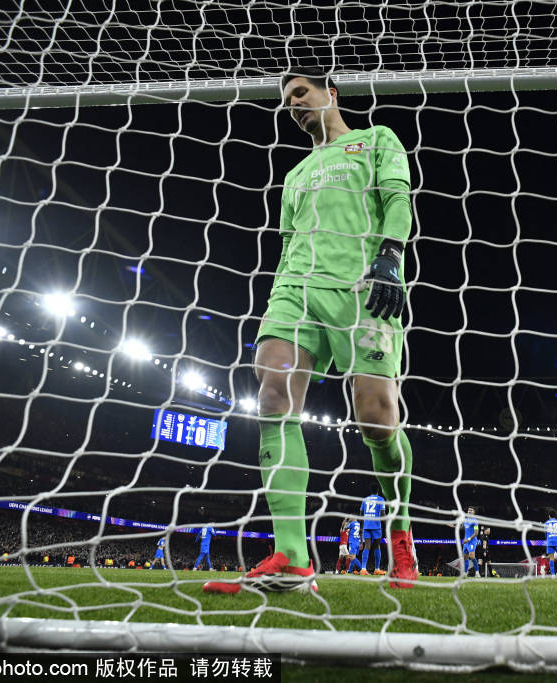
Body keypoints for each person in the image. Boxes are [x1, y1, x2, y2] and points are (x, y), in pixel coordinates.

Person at [203, 68, 417, 594]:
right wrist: (275, 299)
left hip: (363, 289)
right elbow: (287, 244)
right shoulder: (296, 174)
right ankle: (292, 559)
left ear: (330, 93)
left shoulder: (376, 139)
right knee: (272, 396)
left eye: (301, 92)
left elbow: (397, 199)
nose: (293, 104)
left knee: (377, 422)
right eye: (287, 100)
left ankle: (401, 532)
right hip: (295, 290)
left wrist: (391, 256)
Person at [360, 488, 387, 575]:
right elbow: (382, 514)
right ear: (377, 491)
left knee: (367, 546)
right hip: (376, 526)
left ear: (370, 491)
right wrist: (387, 524)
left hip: (366, 526)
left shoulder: (365, 499)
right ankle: (377, 569)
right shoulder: (380, 499)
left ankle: (363, 569)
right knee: (377, 546)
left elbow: (361, 514)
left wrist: (361, 526)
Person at [543, 509, 557, 577]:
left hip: (550, 541)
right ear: (555, 515)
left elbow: (545, 533)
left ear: (549, 516)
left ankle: (553, 574)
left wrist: (547, 540)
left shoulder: (546, 523)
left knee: (551, 558)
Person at [460, 507, 480, 577]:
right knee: (465, 557)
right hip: (466, 542)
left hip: (472, 541)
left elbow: (476, 533)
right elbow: (462, 527)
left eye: (471, 510)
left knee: (472, 556)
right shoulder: (465, 520)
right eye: (469, 510)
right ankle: (465, 573)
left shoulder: (475, 521)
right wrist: (454, 526)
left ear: (474, 512)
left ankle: (477, 572)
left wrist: (468, 539)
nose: (469, 511)